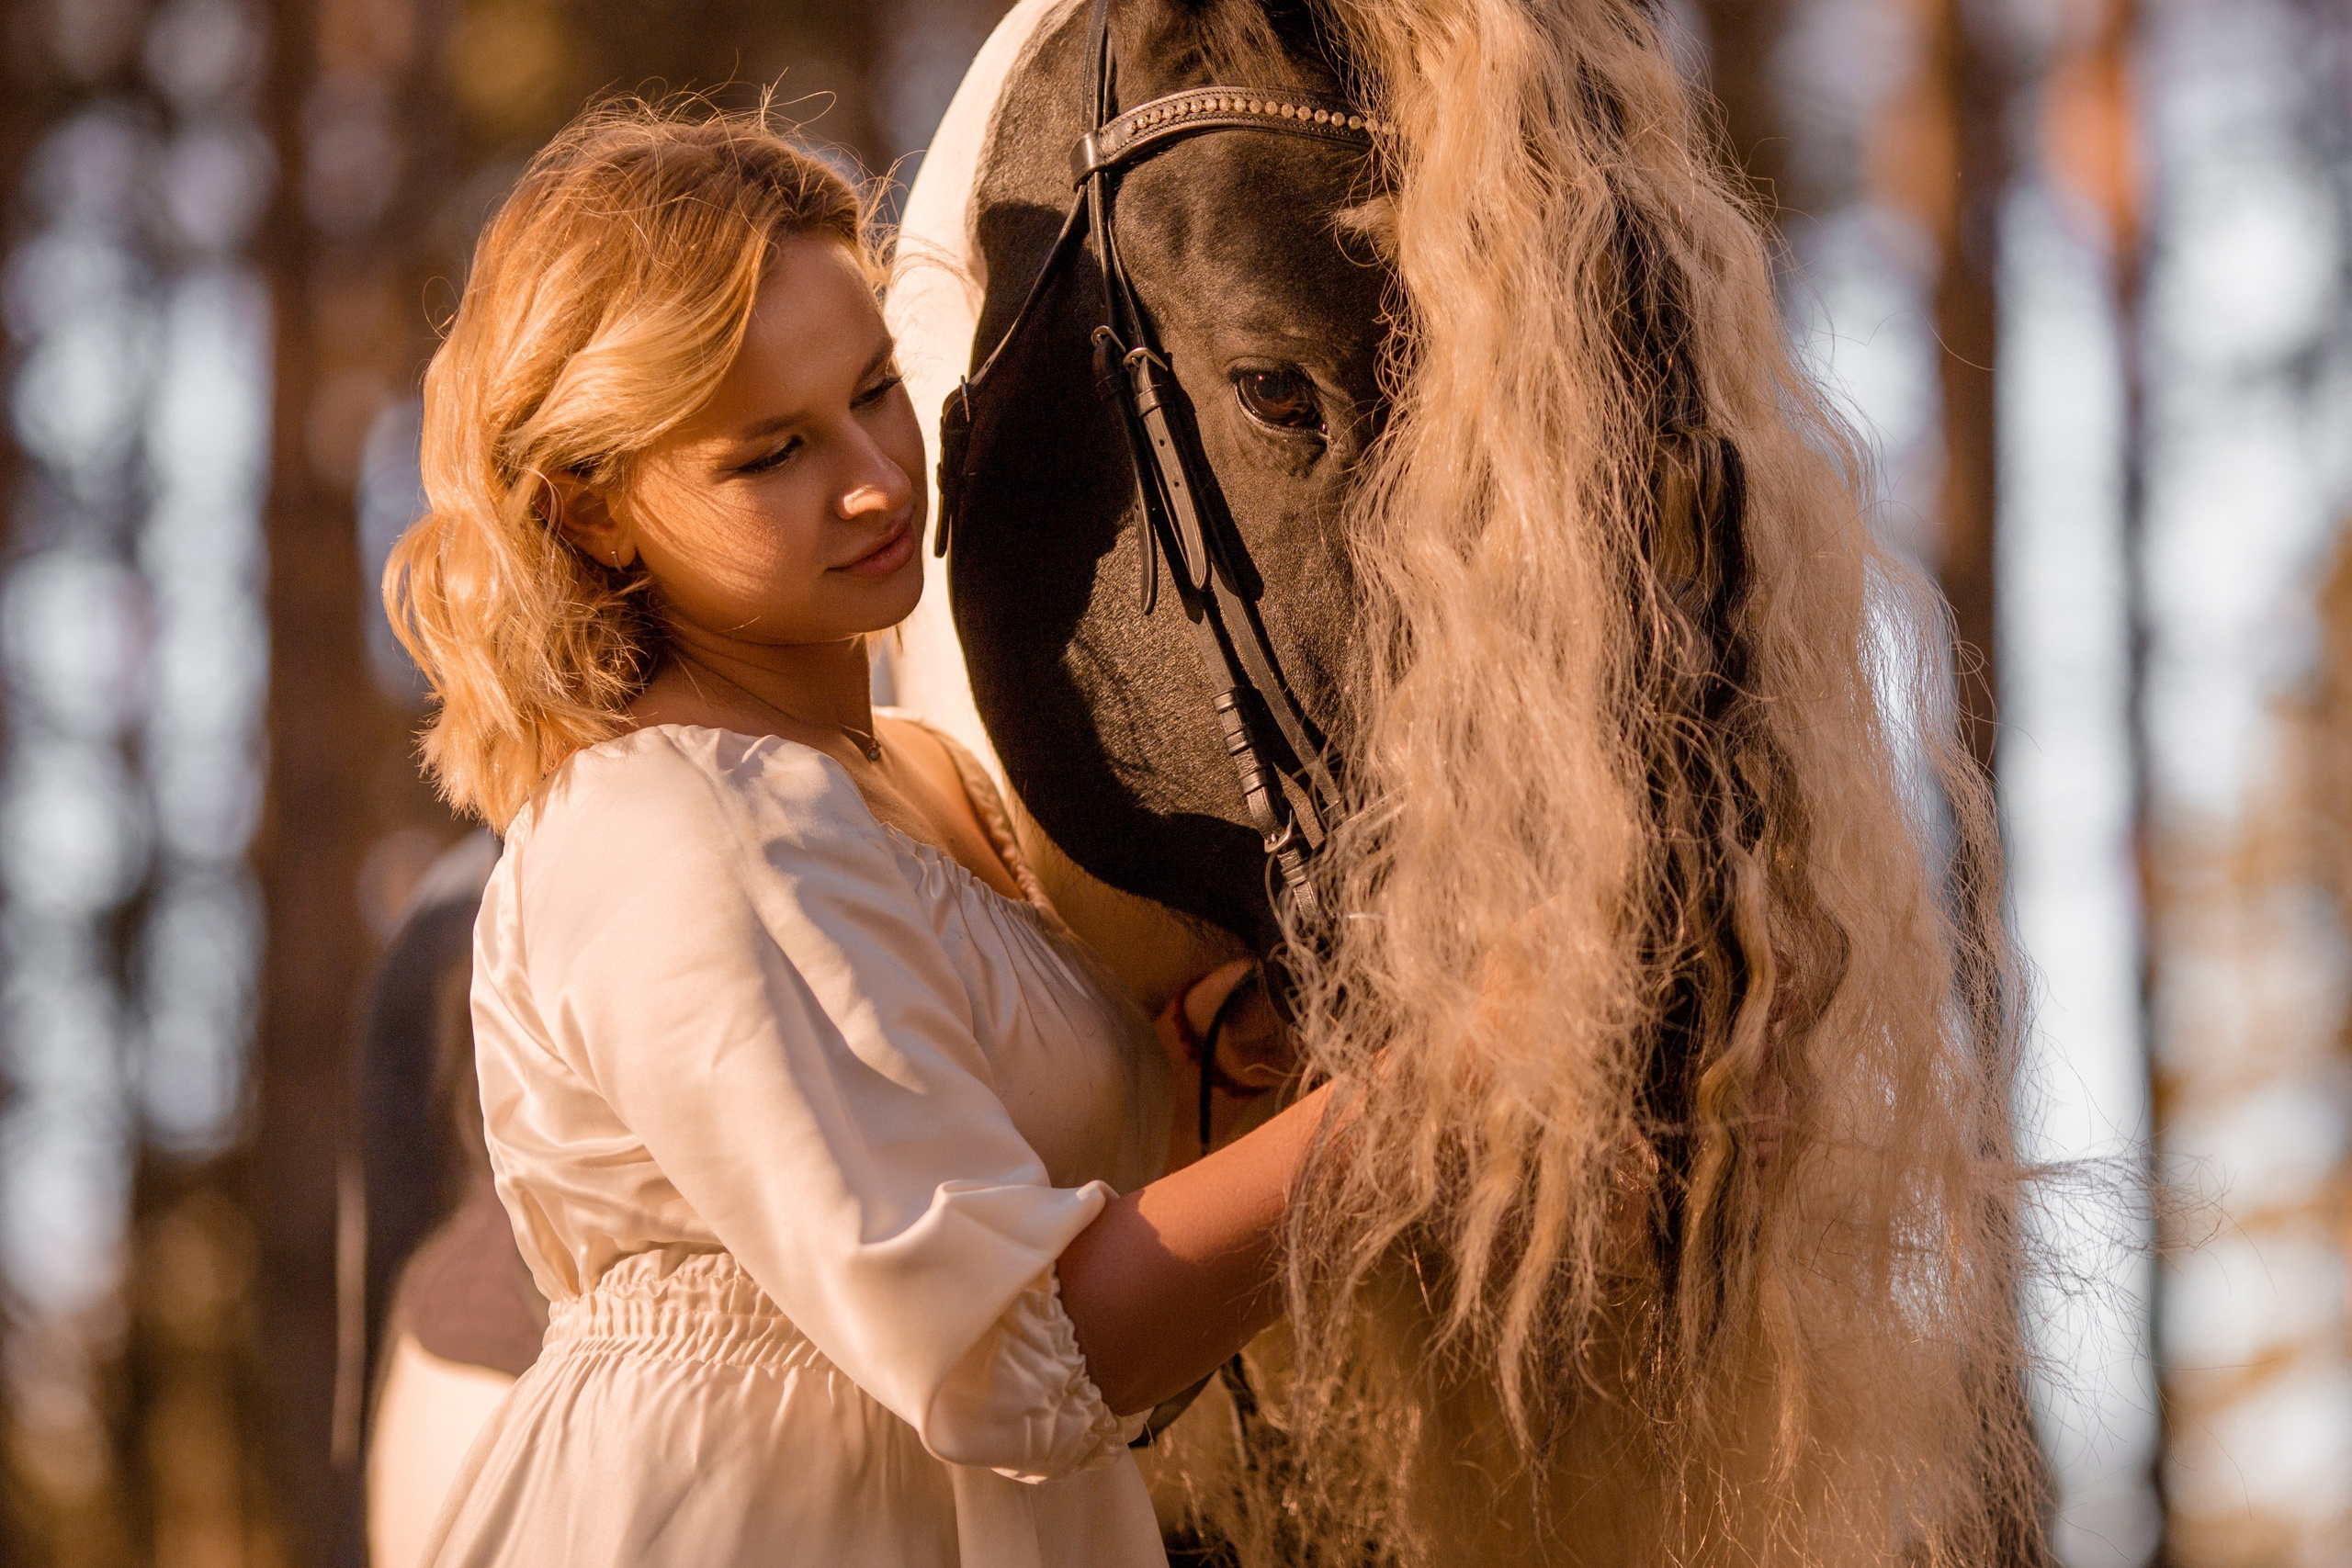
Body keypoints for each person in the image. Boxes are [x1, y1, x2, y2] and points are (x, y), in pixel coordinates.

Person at [384, 103, 1326, 1568]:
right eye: (770, 454)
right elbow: (1018, 1359)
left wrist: (1223, 1073)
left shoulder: (930, 783)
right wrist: (1449, 1102)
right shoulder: (671, 828)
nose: (879, 476)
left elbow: (1040, 1209)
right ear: (594, 516)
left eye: (877, 389)